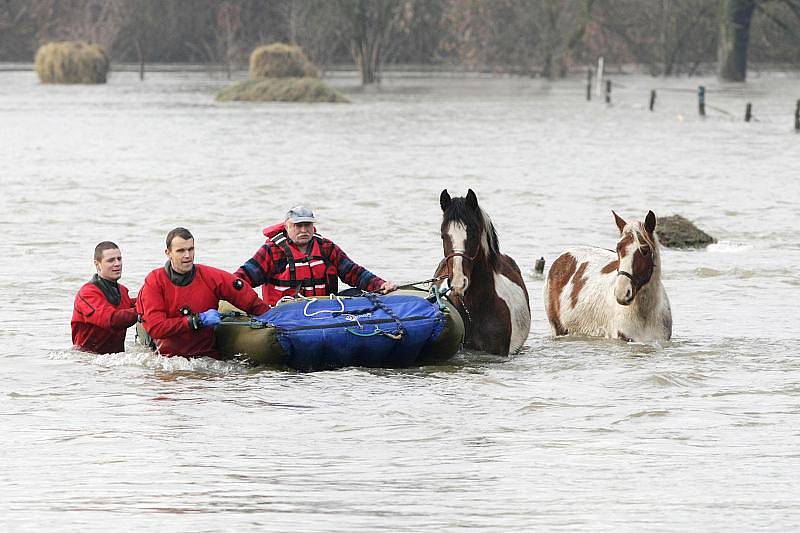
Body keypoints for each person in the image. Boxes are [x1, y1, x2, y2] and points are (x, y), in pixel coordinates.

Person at [136, 227, 269, 359]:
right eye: (181, 251)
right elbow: (156, 328)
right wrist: (196, 320)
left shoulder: (210, 277)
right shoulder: (154, 282)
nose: (187, 255)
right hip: (168, 360)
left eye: (191, 249)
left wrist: (273, 318)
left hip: (207, 359)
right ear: (168, 253)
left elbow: (249, 300)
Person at [235, 205, 398, 307]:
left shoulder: (326, 247)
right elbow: (243, 278)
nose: (304, 230)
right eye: (298, 226)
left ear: (313, 227)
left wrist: (381, 284)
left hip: (324, 309)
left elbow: (354, 272)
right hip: (286, 313)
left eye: (307, 225)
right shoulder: (272, 250)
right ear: (287, 226)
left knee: (356, 294)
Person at [71, 241, 138, 354]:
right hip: (87, 362)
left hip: (116, 361)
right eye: (111, 260)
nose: (117, 264)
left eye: (119, 259)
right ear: (97, 264)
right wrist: (145, 310)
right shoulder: (87, 294)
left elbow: (140, 302)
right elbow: (112, 320)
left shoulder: (122, 291)